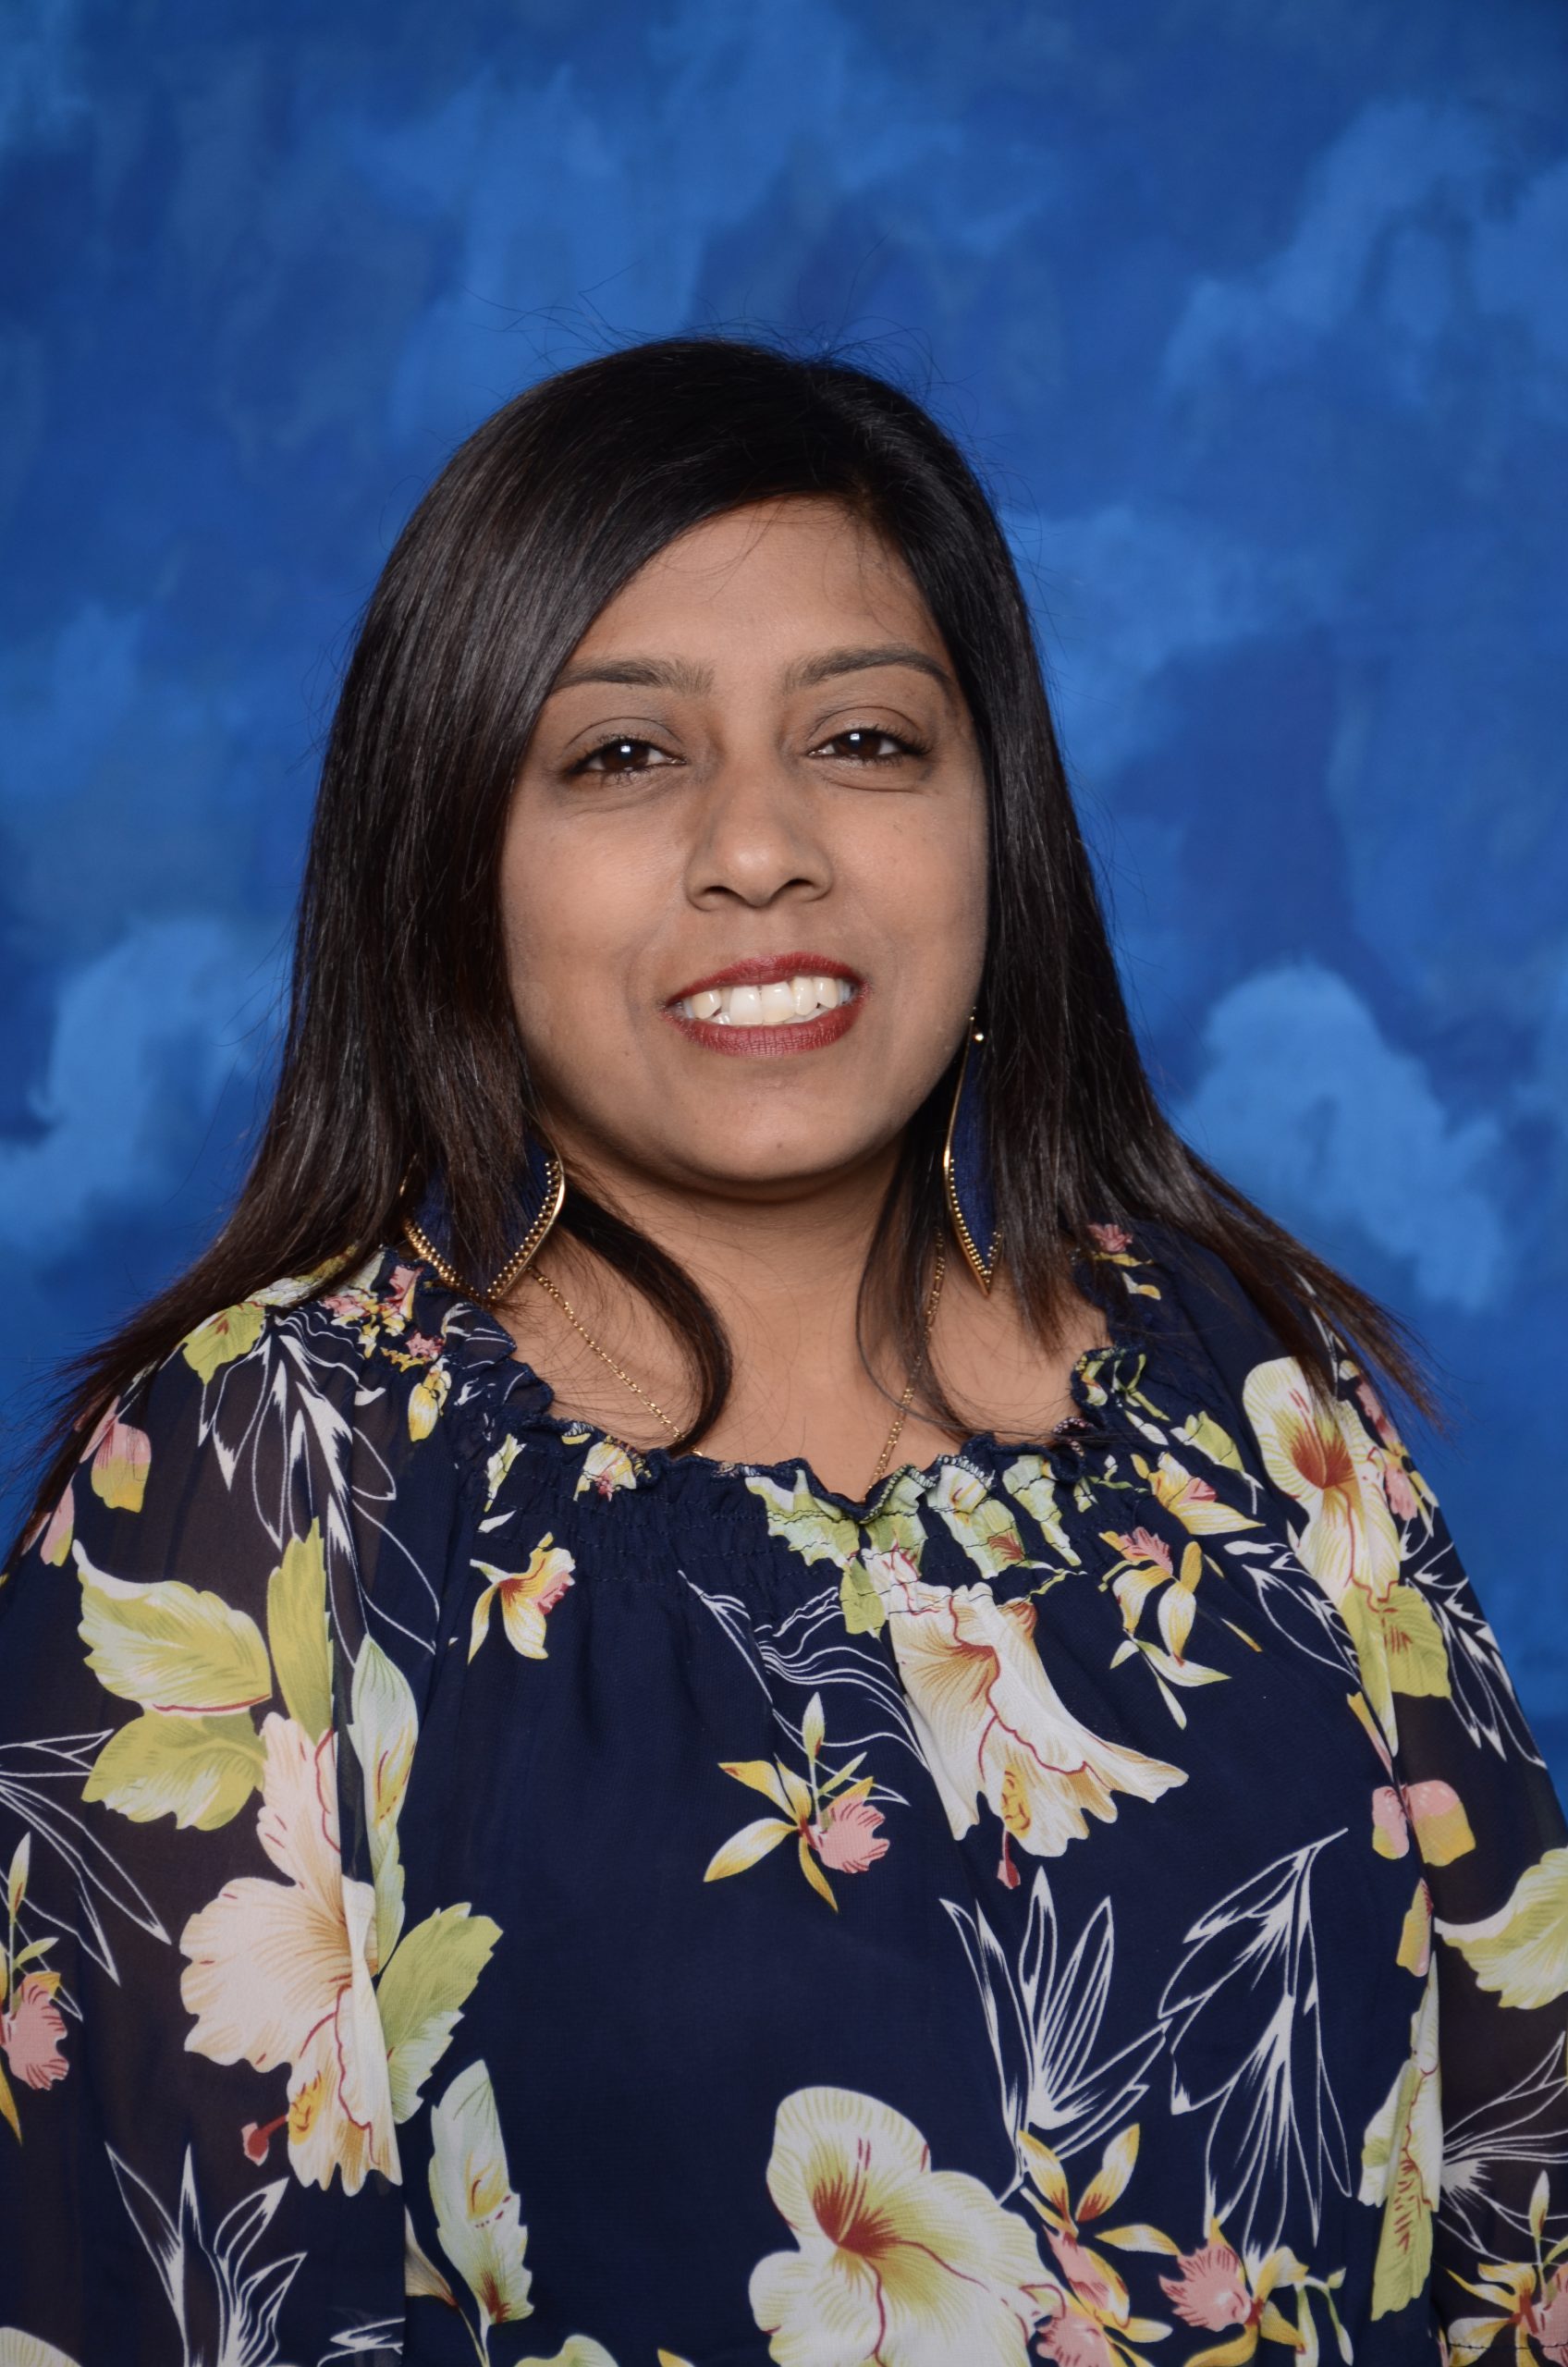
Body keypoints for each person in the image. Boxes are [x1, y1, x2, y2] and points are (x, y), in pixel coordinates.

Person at [0, 337, 1562, 2367]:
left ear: (996, 827)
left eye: (864, 738)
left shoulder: (1245, 1393)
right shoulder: (258, 1479)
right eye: (622, 756)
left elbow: (1519, 2205)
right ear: (451, 860)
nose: (761, 846)